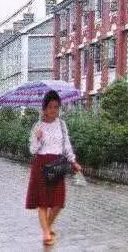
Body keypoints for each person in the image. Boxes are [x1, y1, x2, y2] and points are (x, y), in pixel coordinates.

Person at [25, 90, 82, 246]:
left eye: (56, 107)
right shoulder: (38, 126)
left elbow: (66, 145)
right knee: (43, 203)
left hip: (57, 165)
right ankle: (46, 233)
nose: (53, 110)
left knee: (58, 202)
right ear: (44, 109)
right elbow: (32, 150)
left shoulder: (62, 125)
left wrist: (73, 161)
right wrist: (37, 138)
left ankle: (48, 225)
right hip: (41, 165)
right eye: (50, 107)